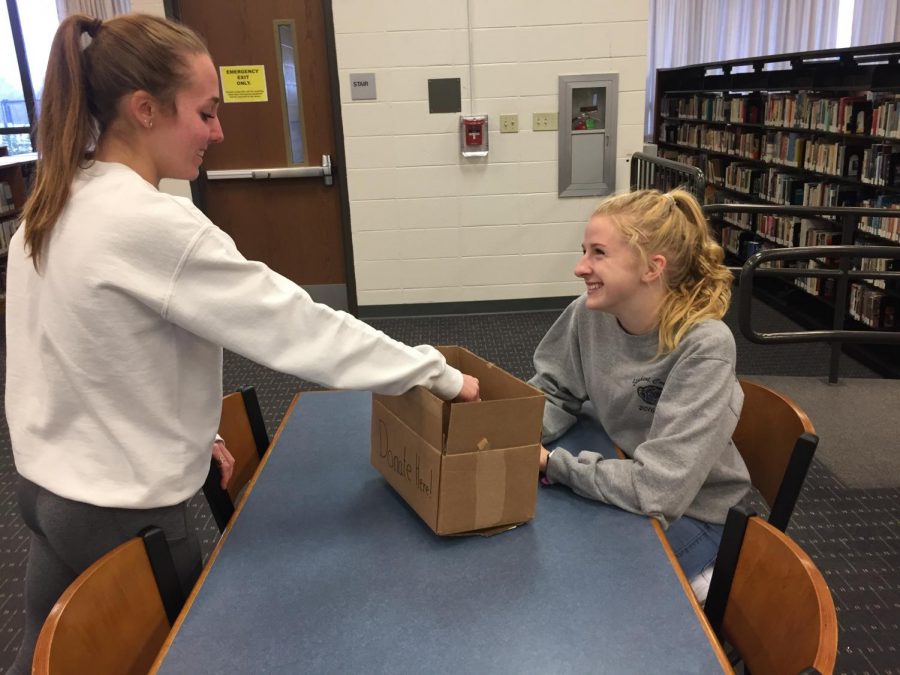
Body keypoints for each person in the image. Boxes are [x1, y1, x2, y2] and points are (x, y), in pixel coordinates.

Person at [5, 14, 479, 673]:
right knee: (192, 654)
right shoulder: (148, 223)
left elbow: (74, 354)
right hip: (121, 509)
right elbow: (298, 328)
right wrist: (435, 372)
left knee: (47, 655)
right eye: (205, 112)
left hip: (46, 489)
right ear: (145, 110)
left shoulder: (53, 201)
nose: (218, 132)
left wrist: (190, 432)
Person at [529, 188, 750, 602]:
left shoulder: (704, 346)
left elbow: (658, 489)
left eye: (598, 253)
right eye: (584, 251)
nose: (580, 267)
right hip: (625, 468)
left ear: (652, 267)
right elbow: (555, 390)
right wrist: (504, 432)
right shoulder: (589, 314)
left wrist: (554, 465)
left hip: (697, 515)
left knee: (580, 592)